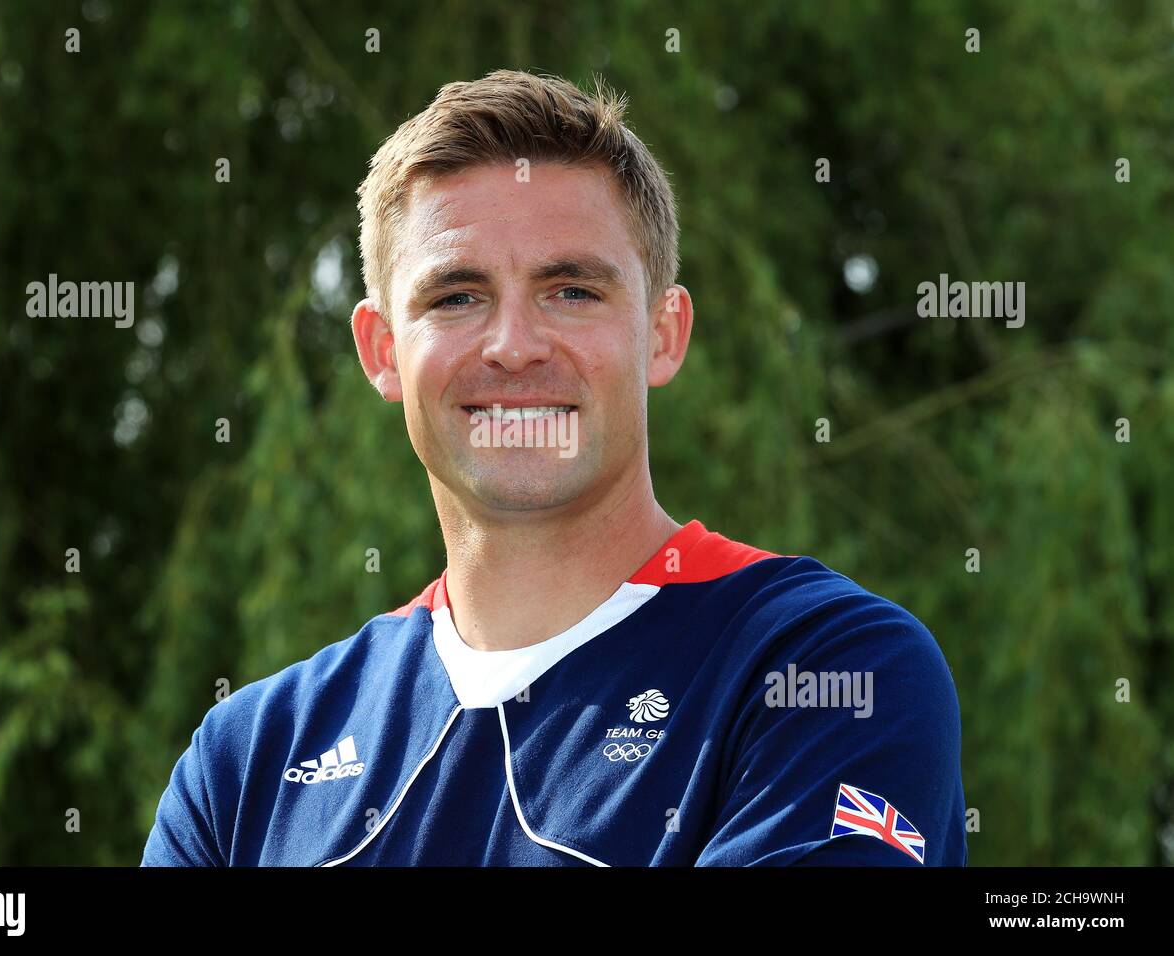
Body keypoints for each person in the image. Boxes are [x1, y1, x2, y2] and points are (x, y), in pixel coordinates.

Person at [142, 69, 966, 866]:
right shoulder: (246, 761)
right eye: (456, 297)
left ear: (663, 333)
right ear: (382, 351)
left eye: (570, 290)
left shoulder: (824, 670)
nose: (514, 346)